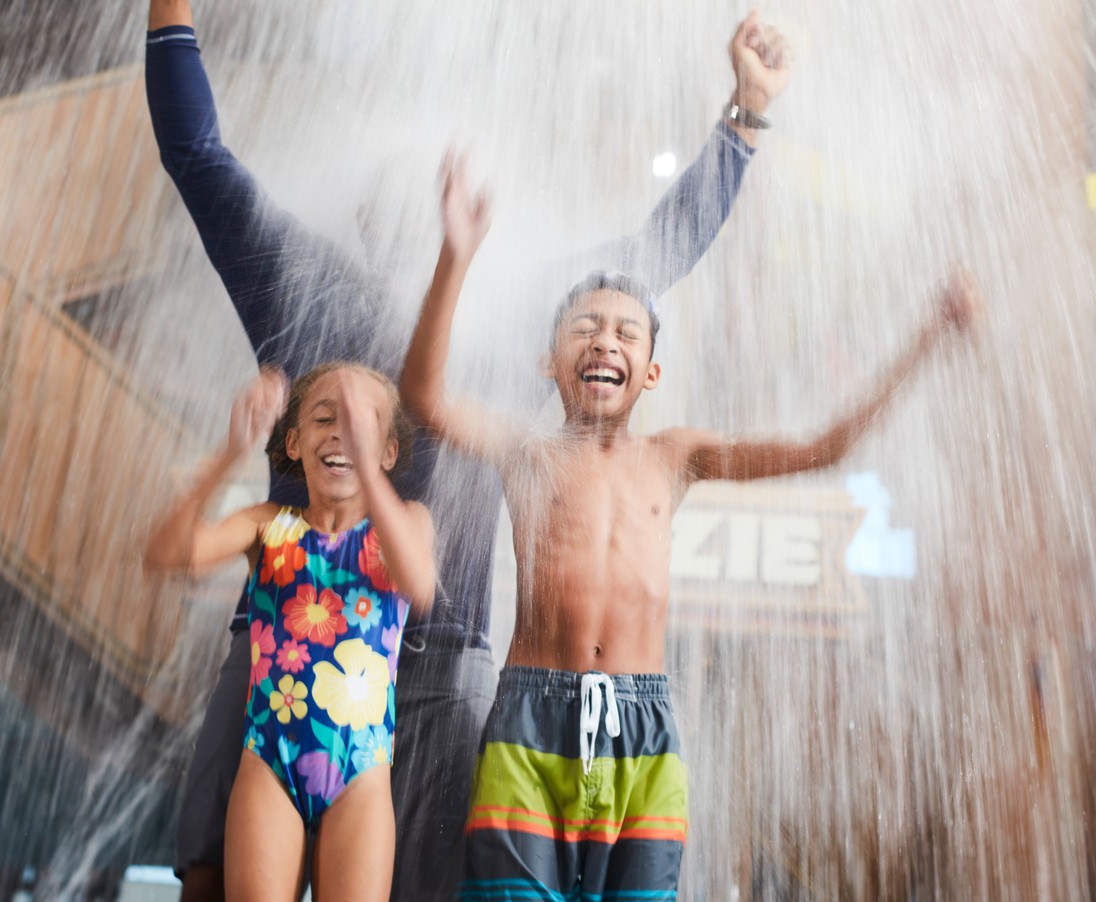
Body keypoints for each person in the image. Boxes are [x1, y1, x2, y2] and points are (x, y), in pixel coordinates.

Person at [143, 3, 791, 898]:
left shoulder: (505, 329)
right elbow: (198, 158)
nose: (429, 216)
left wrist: (746, 116)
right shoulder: (303, 284)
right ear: (367, 221)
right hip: (289, 644)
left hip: (440, 664)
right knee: (217, 878)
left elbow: (656, 252)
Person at [398, 154, 981, 900]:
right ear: (550, 363)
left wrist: (927, 338)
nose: (606, 340)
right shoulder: (526, 454)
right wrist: (454, 259)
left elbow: (825, 447)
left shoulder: (677, 457)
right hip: (531, 719)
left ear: (651, 374)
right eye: (586, 328)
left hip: (642, 728)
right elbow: (424, 397)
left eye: (626, 333)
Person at [145, 364, 436, 900]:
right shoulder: (267, 524)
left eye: (359, 426)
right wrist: (232, 453)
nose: (340, 432)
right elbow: (167, 555)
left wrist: (370, 476)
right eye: (325, 419)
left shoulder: (407, 522)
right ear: (295, 443)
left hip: (362, 772)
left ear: (388, 452)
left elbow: (418, 584)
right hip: (269, 762)